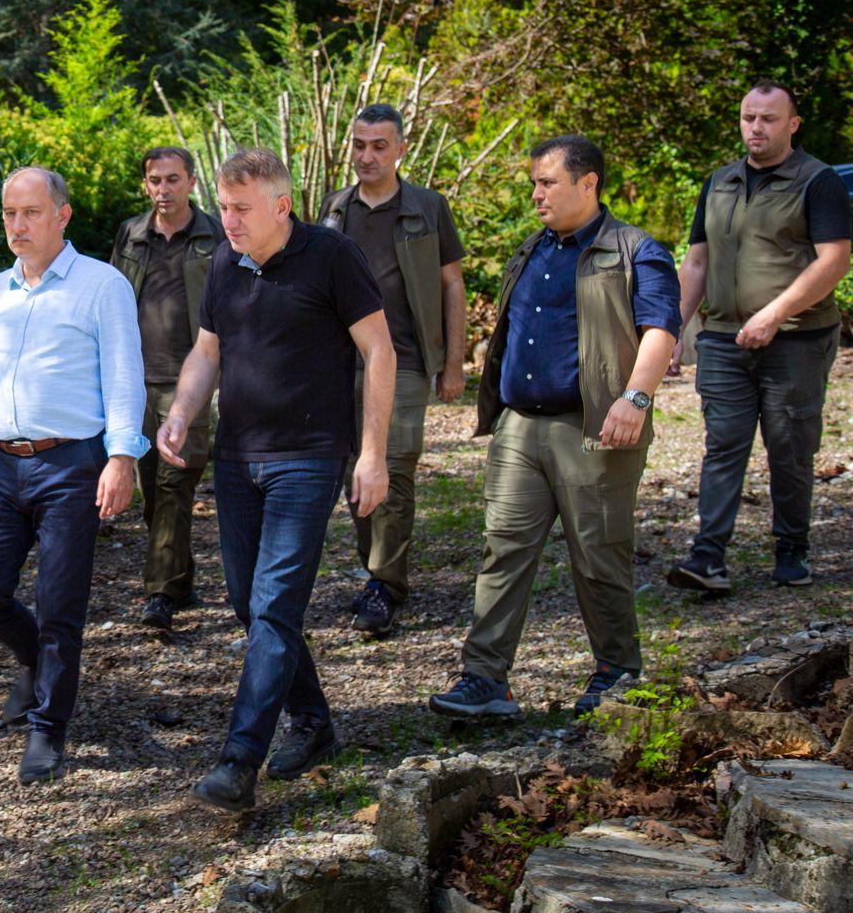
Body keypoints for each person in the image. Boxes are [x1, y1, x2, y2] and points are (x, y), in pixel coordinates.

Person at [157, 148, 394, 812]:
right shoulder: (223, 263)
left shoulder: (331, 256)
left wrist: (372, 454)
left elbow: (379, 349)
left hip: (309, 457)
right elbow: (208, 350)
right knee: (249, 603)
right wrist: (180, 413)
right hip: (237, 457)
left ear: (281, 206)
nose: (227, 220)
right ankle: (313, 721)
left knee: (273, 605)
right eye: (224, 207)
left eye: (241, 209)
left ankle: (239, 761)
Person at [427, 136, 680, 720]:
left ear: (588, 184)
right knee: (503, 551)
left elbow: (661, 330)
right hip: (519, 428)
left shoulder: (636, 250)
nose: (536, 194)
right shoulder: (531, 249)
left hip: (594, 429)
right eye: (534, 183)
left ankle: (617, 674)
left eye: (548, 183)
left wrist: (635, 399)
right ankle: (484, 680)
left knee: (599, 555)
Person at [0, 166, 147, 786]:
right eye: (10, 214)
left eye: (31, 213)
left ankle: (47, 727)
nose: (18, 225)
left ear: (62, 215)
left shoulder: (102, 285)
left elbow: (125, 376)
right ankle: (35, 661)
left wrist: (122, 457)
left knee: (60, 602)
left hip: (71, 464)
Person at [666, 82, 851, 592]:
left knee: (789, 448)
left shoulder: (817, 181)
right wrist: (673, 329)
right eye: (749, 117)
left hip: (797, 339)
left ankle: (792, 547)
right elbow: (697, 262)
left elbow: (834, 261)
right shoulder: (719, 182)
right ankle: (708, 557)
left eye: (769, 118)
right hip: (723, 340)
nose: (757, 128)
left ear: (793, 124)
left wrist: (775, 313)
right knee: (723, 444)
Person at [320, 103, 467, 637]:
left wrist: (453, 362)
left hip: (403, 358)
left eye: (380, 146)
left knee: (394, 467)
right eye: (359, 145)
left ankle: (385, 583)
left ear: (401, 149)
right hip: (341, 362)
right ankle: (374, 570)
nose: (368, 156)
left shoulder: (428, 207)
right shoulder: (335, 209)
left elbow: (452, 284)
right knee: (354, 471)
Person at [111, 146, 226, 631]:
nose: (164, 189)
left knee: (174, 483)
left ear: (192, 182)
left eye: (173, 179)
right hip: (136, 381)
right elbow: (113, 298)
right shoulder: (131, 235)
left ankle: (160, 593)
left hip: (191, 383)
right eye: (155, 180)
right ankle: (179, 576)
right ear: (146, 185)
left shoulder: (216, 235)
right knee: (151, 490)